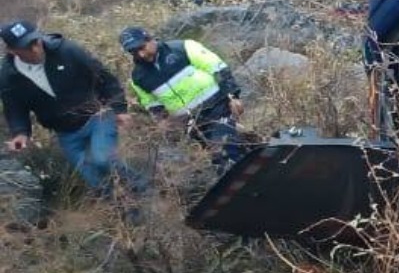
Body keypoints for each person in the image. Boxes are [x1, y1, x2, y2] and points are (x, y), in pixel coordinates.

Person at [2, 19, 146, 197]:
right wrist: (20, 133)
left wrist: (119, 109)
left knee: (102, 160)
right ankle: (120, 209)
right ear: (12, 51)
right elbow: (15, 109)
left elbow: (103, 76)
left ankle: (145, 190)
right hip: (66, 132)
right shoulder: (9, 77)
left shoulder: (66, 51)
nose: (35, 49)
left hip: (96, 116)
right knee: (93, 178)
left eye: (35, 41)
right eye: (26, 46)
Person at [120, 27, 248, 168]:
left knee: (224, 149)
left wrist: (233, 96)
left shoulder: (183, 48)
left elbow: (218, 68)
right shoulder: (138, 78)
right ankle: (255, 151)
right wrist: (161, 120)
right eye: (134, 52)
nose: (141, 54)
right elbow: (151, 103)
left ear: (150, 39)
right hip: (190, 123)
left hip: (217, 106)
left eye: (142, 48)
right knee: (219, 154)